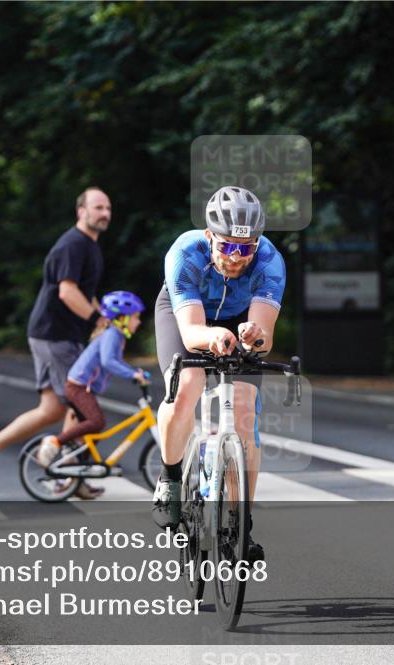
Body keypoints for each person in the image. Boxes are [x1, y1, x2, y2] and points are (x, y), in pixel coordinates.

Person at [151, 185, 285, 563]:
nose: (236, 258)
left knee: (244, 410)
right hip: (186, 314)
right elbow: (191, 334)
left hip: (238, 317)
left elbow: (264, 337)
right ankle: (170, 478)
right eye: (227, 246)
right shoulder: (185, 253)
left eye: (246, 248)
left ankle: (242, 524)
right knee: (187, 386)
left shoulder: (270, 261)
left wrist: (254, 336)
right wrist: (212, 336)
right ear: (210, 236)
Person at [0, 187, 110, 496]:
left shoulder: (91, 246)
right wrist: (96, 319)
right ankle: (67, 475)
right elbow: (67, 292)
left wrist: (104, 318)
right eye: (98, 207)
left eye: (108, 208)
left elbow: (85, 293)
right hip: (56, 335)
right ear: (81, 211)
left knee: (52, 409)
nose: (105, 213)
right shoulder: (73, 244)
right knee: (81, 401)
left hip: (54, 334)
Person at [34, 291, 149, 499]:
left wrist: (135, 372)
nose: (138, 322)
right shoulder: (113, 334)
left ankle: (75, 479)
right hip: (78, 387)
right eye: (135, 317)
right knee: (97, 422)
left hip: (81, 387)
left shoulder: (116, 335)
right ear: (122, 318)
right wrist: (132, 374)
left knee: (90, 436)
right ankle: (54, 442)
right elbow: (108, 361)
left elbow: (115, 361)